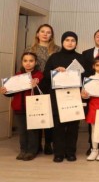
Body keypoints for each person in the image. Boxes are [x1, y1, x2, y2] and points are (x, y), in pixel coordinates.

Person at [41, 31, 86, 163]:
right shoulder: (54, 57)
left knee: (73, 126)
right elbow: (45, 75)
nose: (70, 42)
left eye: (73, 40)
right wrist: (55, 72)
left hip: (75, 95)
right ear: (62, 42)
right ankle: (59, 153)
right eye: (67, 40)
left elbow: (86, 76)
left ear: (76, 43)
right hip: (57, 96)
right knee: (58, 127)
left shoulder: (81, 58)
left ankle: (70, 152)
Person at [0, 52, 43, 161]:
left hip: (34, 107)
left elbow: (43, 91)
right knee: (22, 131)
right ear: (22, 62)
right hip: (19, 108)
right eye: (25, 61)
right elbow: (11, 93)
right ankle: (23, 150)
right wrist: (5, 91)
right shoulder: (17, 76)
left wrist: (36, 85)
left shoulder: (39, 75)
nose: (28, 63)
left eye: (31, 61)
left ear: (35, 62)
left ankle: (32, 151)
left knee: (33, 130)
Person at [25, 24, 60, 155]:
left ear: (52, 35)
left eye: (48, 32)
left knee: (50, 115)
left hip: (51, 84)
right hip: (36, 84)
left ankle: (48, 143)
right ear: (37, 34)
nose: (45, 34)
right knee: (37, 113)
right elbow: (25, 67)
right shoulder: (30, 48)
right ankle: (37, 143)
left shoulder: (57, 49)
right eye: (42, 31)